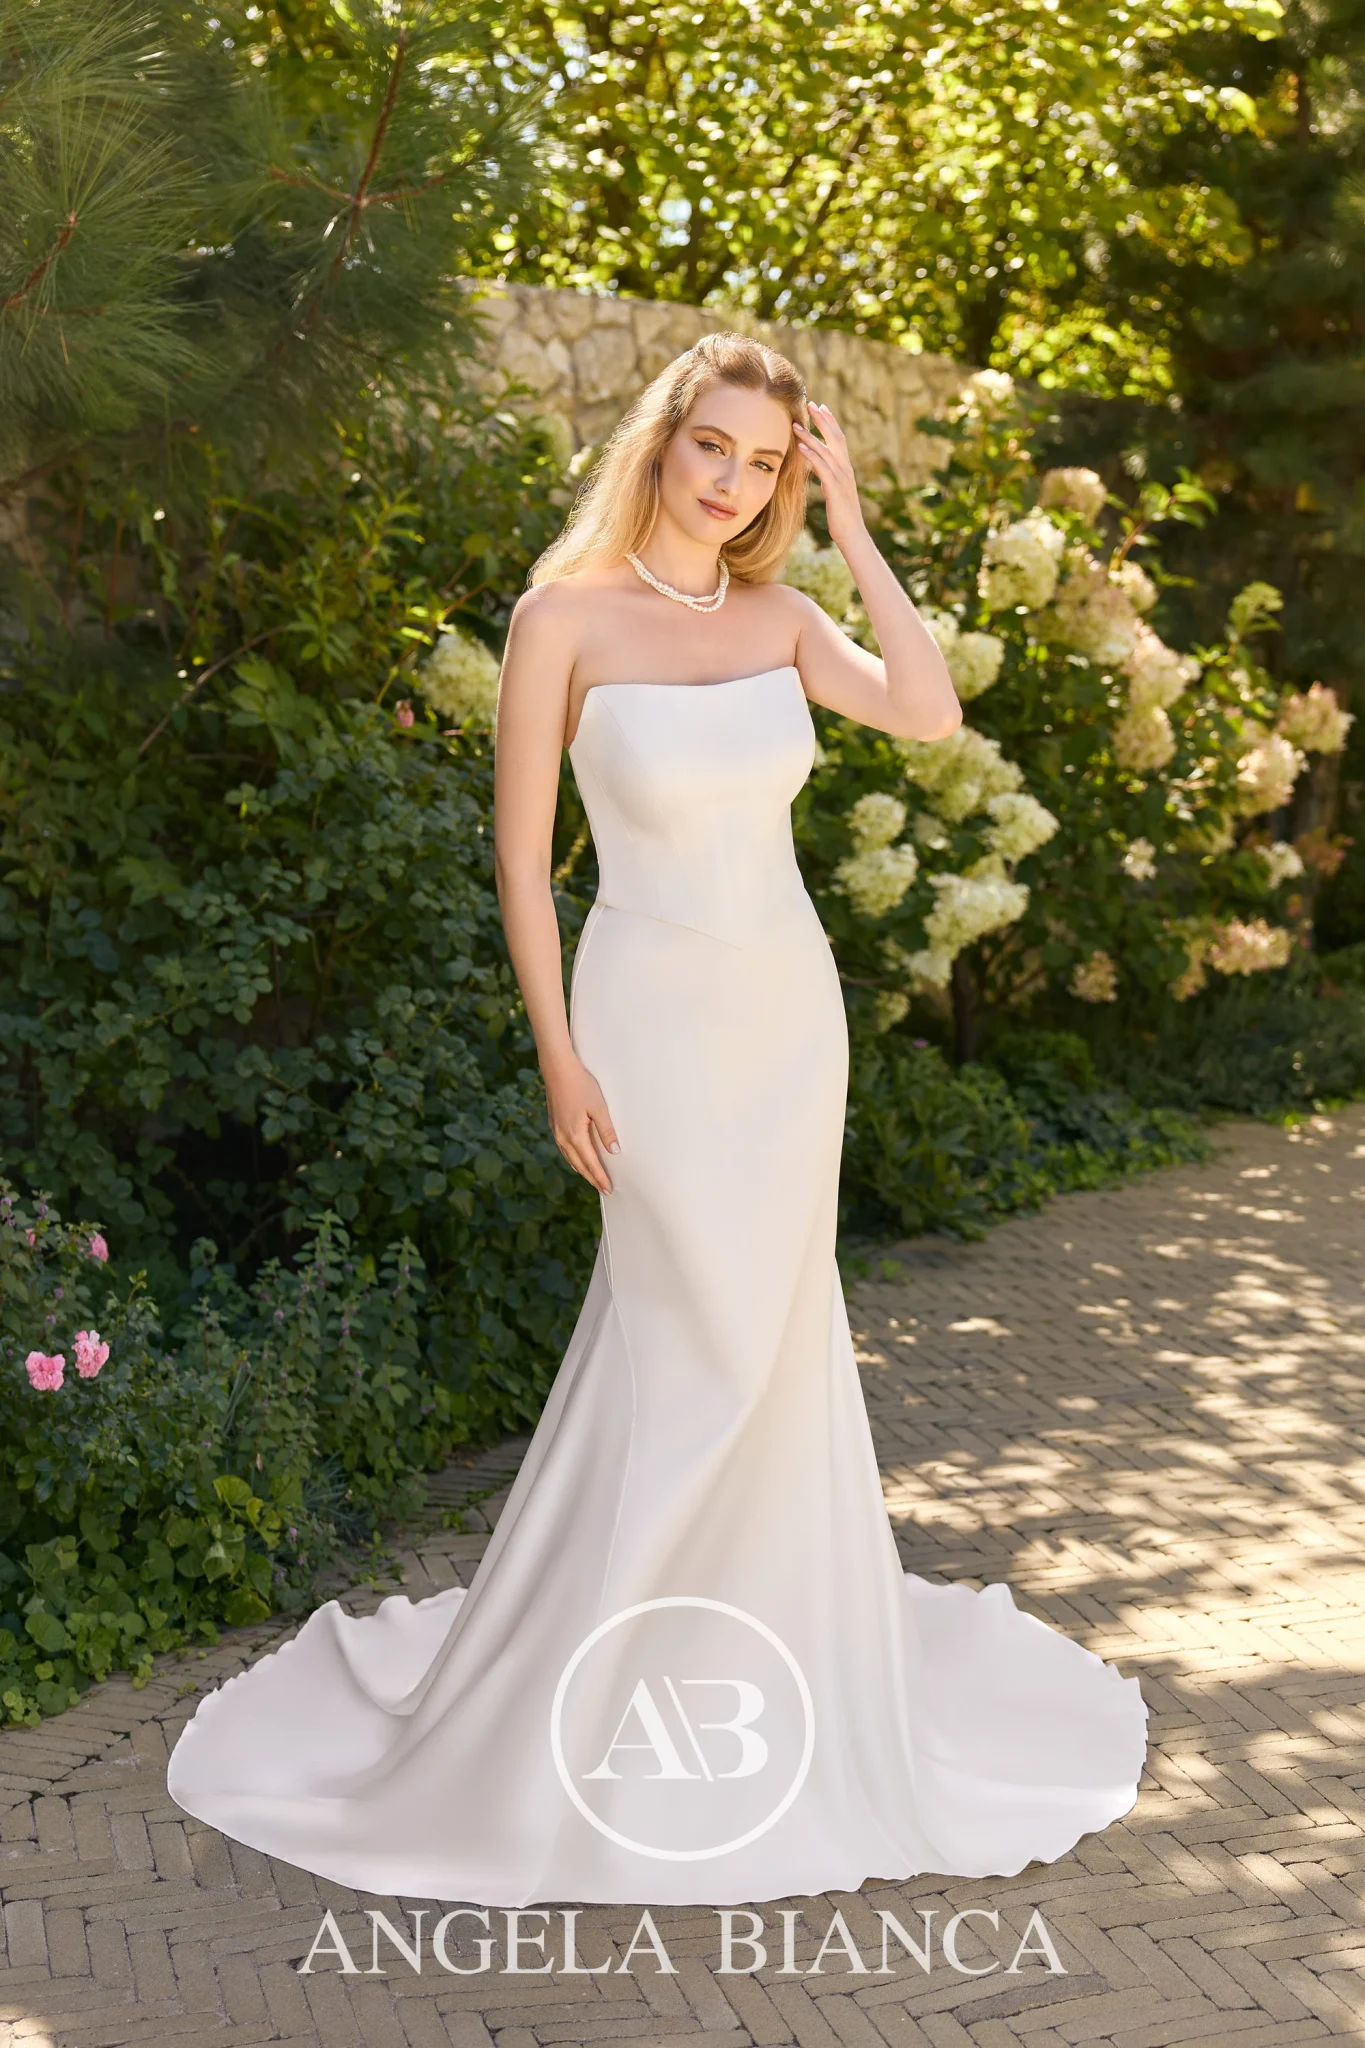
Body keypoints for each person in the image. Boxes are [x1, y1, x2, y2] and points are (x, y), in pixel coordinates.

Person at [167, 332, 1147, 1909]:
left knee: (770, 1341)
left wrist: (853, 527)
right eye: (716, 447)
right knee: (682, 1336)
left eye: (764, 461)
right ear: (662, 439)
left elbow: (931, 708)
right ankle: (591, 1693)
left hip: (784, 1017)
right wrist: (557, 1053)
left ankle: (749, 1686)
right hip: (646, 1016)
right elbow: (521, 860)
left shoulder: (780, 614)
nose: (731, 480)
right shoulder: (562, 617)